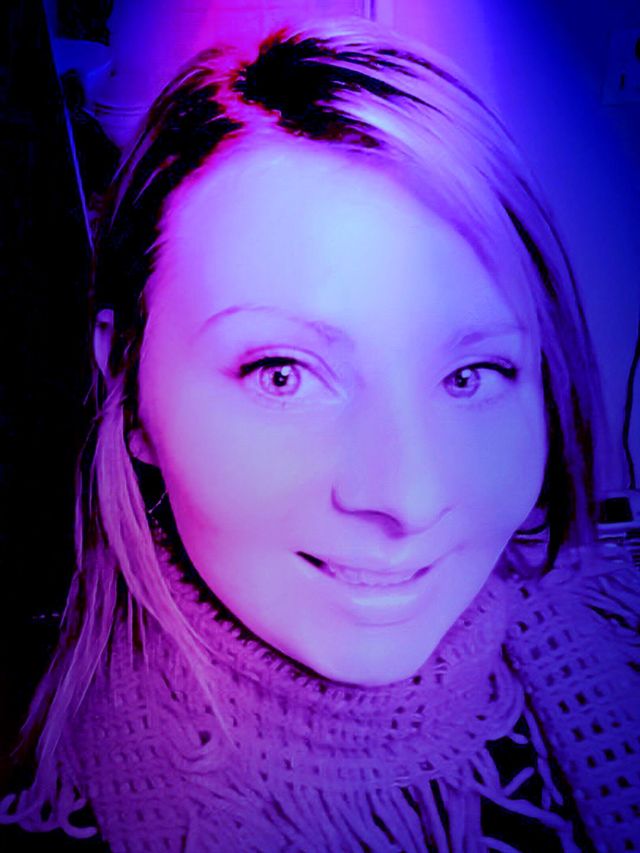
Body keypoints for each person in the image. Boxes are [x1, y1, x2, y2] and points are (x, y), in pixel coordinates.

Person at [1, 16, 638, 852]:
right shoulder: (50, 805)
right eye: (282, 373)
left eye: (470, 374)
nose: (408, 498)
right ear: (128, 378)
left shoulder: (616, 651)